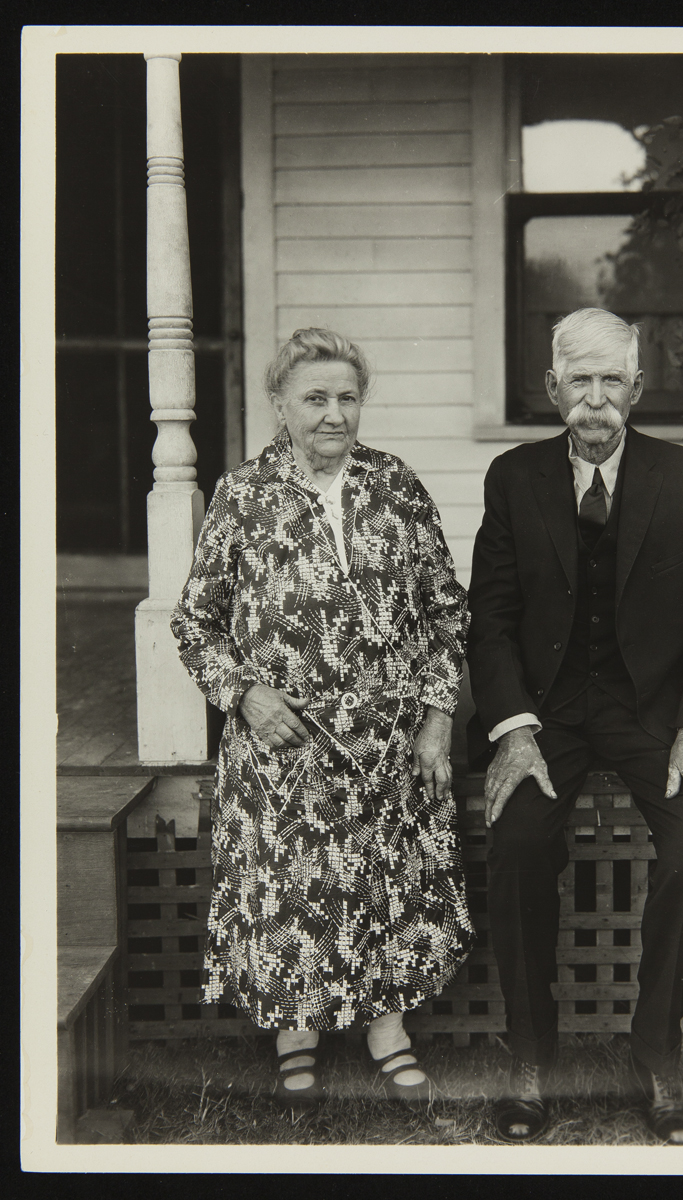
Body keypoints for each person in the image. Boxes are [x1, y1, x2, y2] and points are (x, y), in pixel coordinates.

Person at [172, 327, 475, 1109]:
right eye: (315, 398)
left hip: (388, 746)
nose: (333, 414)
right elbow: (194, 625)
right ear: (280, 403)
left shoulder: (396, 486)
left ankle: (387, 1031)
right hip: (285, 748)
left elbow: (447, 613)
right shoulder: (242, 495)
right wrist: (244, 693)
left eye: (346, 397)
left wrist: (436, 719)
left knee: (385, 886)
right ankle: (294, 1033)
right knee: (294, 891)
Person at [466, 308, 683, 1143]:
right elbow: (491, 616)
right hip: (546, 712)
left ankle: (657, 1048)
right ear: (552, 390)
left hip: (652, 714)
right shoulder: (514, 479)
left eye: (610, 382)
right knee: (515, 842)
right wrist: (514, 729)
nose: (595, 401)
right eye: (577, 382)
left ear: (636, 388)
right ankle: (532, 1054)